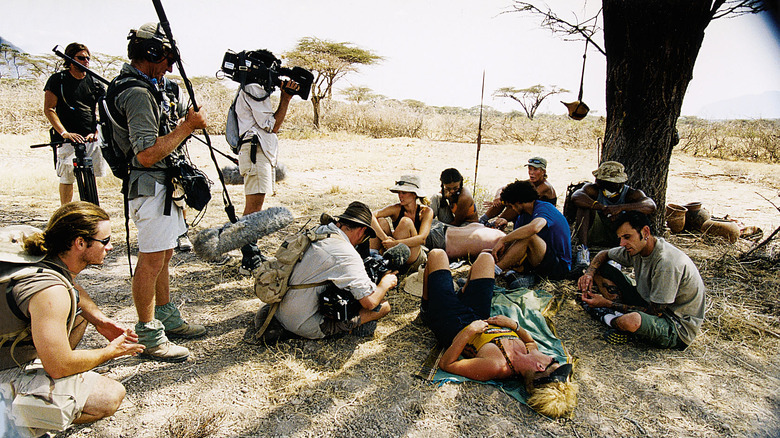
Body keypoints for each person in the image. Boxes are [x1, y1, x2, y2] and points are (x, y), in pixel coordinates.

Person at [109, 22, 208, 361]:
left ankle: (165, 316)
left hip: (162, 187)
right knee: (151, 261)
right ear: (151, 54)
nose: (170, 66)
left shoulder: (148, 87)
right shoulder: (136, 93)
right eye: (167, 58)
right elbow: (147, 153)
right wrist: (187, 127)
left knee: (163, 255)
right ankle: (149, 334)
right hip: (150, 187)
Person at [0, 202, 144, 436]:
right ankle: (12, 422)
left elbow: (73, 288)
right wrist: (111, 351)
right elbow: (59, 366)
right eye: (105, 241)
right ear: (80, 243)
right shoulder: (51, 292)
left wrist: (100, 321)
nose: (110, 247)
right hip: (4, 368)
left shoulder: (38, 252)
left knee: (79, 318)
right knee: (108, 396)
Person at [419, 249, 577, 418]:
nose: (552, 357)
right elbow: (530, 341)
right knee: (486, 259)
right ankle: (462, 294)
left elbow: (447, 364)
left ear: (539, 366)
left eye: (553, 361)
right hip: (479, 316)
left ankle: (427, 308)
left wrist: (469, 331)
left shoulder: (495, 366)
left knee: (437, 254)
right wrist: (514, 326)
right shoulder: (531, 353)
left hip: (452, 323)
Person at [577, 211, 705, 349]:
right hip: (648, 301)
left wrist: (607, 304)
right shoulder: (638, 248)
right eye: (620, 238)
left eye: (627, 237)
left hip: (674, 325)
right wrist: (589, 275)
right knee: (601, 269)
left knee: (631, 321)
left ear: (645, 232)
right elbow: (604, 254)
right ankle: (615, 315)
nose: (622, 243)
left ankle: (606, 316)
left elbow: (655, 312)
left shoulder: (666, 263)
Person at [274, 202, 398, 339]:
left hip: (277, 310)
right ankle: (351, 329)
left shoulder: (319, 231)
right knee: (383, 307)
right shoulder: (346, 253)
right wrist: (386, 283)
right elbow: (370, 302)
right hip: (301, 323)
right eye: (365, 237)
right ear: (362, 231)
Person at [234, 49, 299, 274]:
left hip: (257, 152)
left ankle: (251, 252)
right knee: (253, 209)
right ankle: (249, 258)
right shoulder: (253, 88)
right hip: (255, 151)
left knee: (255, 207)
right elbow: (272, 125)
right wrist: (286, 99)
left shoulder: (253, 89)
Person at [43, 42, 109, 205]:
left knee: (90, 175)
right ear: (70, 60)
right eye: (81, 58)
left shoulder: (94, 82)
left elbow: (105, 109)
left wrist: (97, 132)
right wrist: (65, 133)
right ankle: (66, 212)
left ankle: (90, 212)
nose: (86, 61)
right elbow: (49, 109)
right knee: (67, 177)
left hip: (90, 138)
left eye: (88, 58)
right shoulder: (58, 80)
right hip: (68, 140)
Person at [570, 161, 656, 265]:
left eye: (608, 182)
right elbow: (576, 197)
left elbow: (650, 205)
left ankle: (619, 254)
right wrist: (602, 208)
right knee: (583, 208)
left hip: (618, 236)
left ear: (619, 183)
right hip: (596, 231)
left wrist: (620, 208)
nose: (599, 182)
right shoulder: (594, 189)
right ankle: (583, 250)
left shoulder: (631, 194)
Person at [492, 180, 572, 280]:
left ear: (518, 202)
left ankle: (494, 271)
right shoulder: (523, 216)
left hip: (559, 265)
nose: (512, 209)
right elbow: (516, 243)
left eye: (511, 206)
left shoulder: (544, 208)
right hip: (539, 259)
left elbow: (534, 228)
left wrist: (503, 240)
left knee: (529, 237)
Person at [370, 174, 433, 275]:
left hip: (414, 256)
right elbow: (371, 215)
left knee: (406, 222)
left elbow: (422, 239)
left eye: (404, 192)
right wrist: (385, 238)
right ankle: (373, 258)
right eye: (399, 192)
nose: (400, 196)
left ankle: (386, 263)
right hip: (393, 250)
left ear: (414, 194)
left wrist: (395, 244)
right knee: (380, 221)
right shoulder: (396, 209)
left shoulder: (426, 212)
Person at [480, 157, 557, 229]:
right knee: (506, 198)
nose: (531, 172)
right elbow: (503, 188)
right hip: (530, 213)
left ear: (543, 172)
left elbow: (524, 199)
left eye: (535, 170)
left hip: (543, 217)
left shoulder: (545, 186)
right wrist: (497, 198)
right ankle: (482, 220)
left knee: (516, 203)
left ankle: (495, 224)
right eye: (530, 169)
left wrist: (504, 201)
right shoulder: (528, 183)